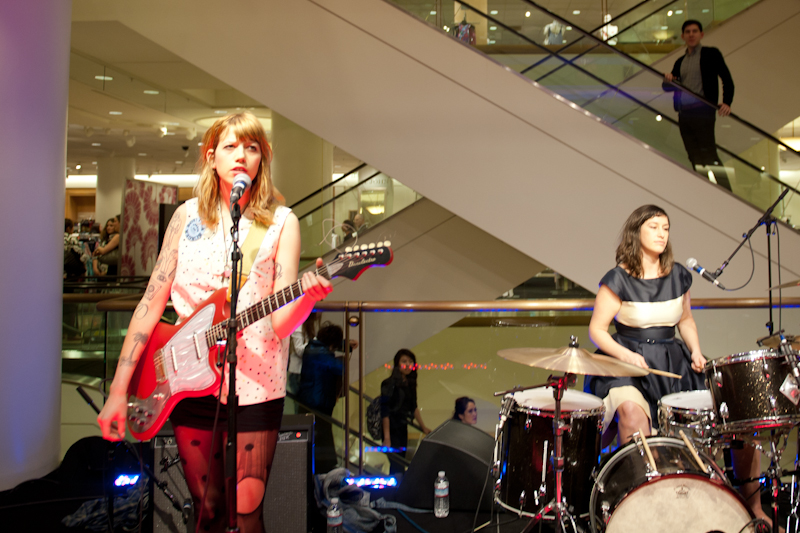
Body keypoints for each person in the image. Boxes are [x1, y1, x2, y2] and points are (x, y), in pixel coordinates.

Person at [96, 112, 332, 533]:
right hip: (186, 378)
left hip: (257, 384)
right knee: (207, 509)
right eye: (231, 146)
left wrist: (306, 300)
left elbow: (280, 325)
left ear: (263, 158)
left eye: (252, 147)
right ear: (210, 157)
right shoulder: (185, 219)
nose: (241, 155)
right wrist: (118, 390)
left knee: (247, 509)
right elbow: (150, 305)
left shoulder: (282, 223)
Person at [584, 204, 771, 526]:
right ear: (636, 232)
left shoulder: (679, 275)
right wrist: (626, 356)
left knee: (717, 422)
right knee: (631, 414)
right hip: (628, 362)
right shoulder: (617, 279)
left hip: (673, 361)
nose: (661, 233)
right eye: (654, 227)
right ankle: (638, 507)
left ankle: (719, 505)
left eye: (666, 228)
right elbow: (597, 330)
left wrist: (697, 352)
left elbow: (685, 320)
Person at [663, 20, 734, 191]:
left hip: (704, 111)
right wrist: (669, 79)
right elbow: (667, 87)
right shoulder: (680, 61)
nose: (691, 34)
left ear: (701, 34)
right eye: (688, 32)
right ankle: (704, 190)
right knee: (694, 155)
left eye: (695, 31)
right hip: (684, 113)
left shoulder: (711, 54)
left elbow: (727, 79)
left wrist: (727, 102)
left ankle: (727, 193)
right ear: (683, 36)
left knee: (709, 154)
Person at [298, 323, 345, 473]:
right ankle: (324, 470)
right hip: (318, 402)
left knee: (317, 437)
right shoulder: (321, 353)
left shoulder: (312, 349)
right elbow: (338, 367)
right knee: (321, 437)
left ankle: (320, 469)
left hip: (310, 400)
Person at [380, 349, 431, 475]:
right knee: (397, 464)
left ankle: (396, 491)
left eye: (410, 361)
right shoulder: (388, 383)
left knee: (400, 464)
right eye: (404, 361)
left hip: (402, 428)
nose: (408, 364)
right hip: (391, 429)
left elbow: (414, 407)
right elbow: (385, 411)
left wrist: (423, 427)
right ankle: (395, 491)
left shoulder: (410, 384)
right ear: (397, 364)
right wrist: (386, 437)